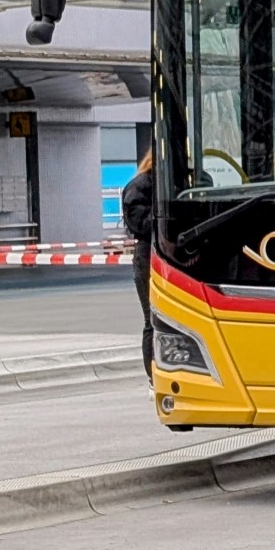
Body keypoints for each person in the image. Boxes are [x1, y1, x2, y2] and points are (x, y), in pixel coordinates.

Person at [120, 149, 156, 381]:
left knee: (152, 322)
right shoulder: (140, 186)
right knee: (151, 320)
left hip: (154, 254)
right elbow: (140, 224)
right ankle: (153, 376)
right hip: (149, 256)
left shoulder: (140, 186)